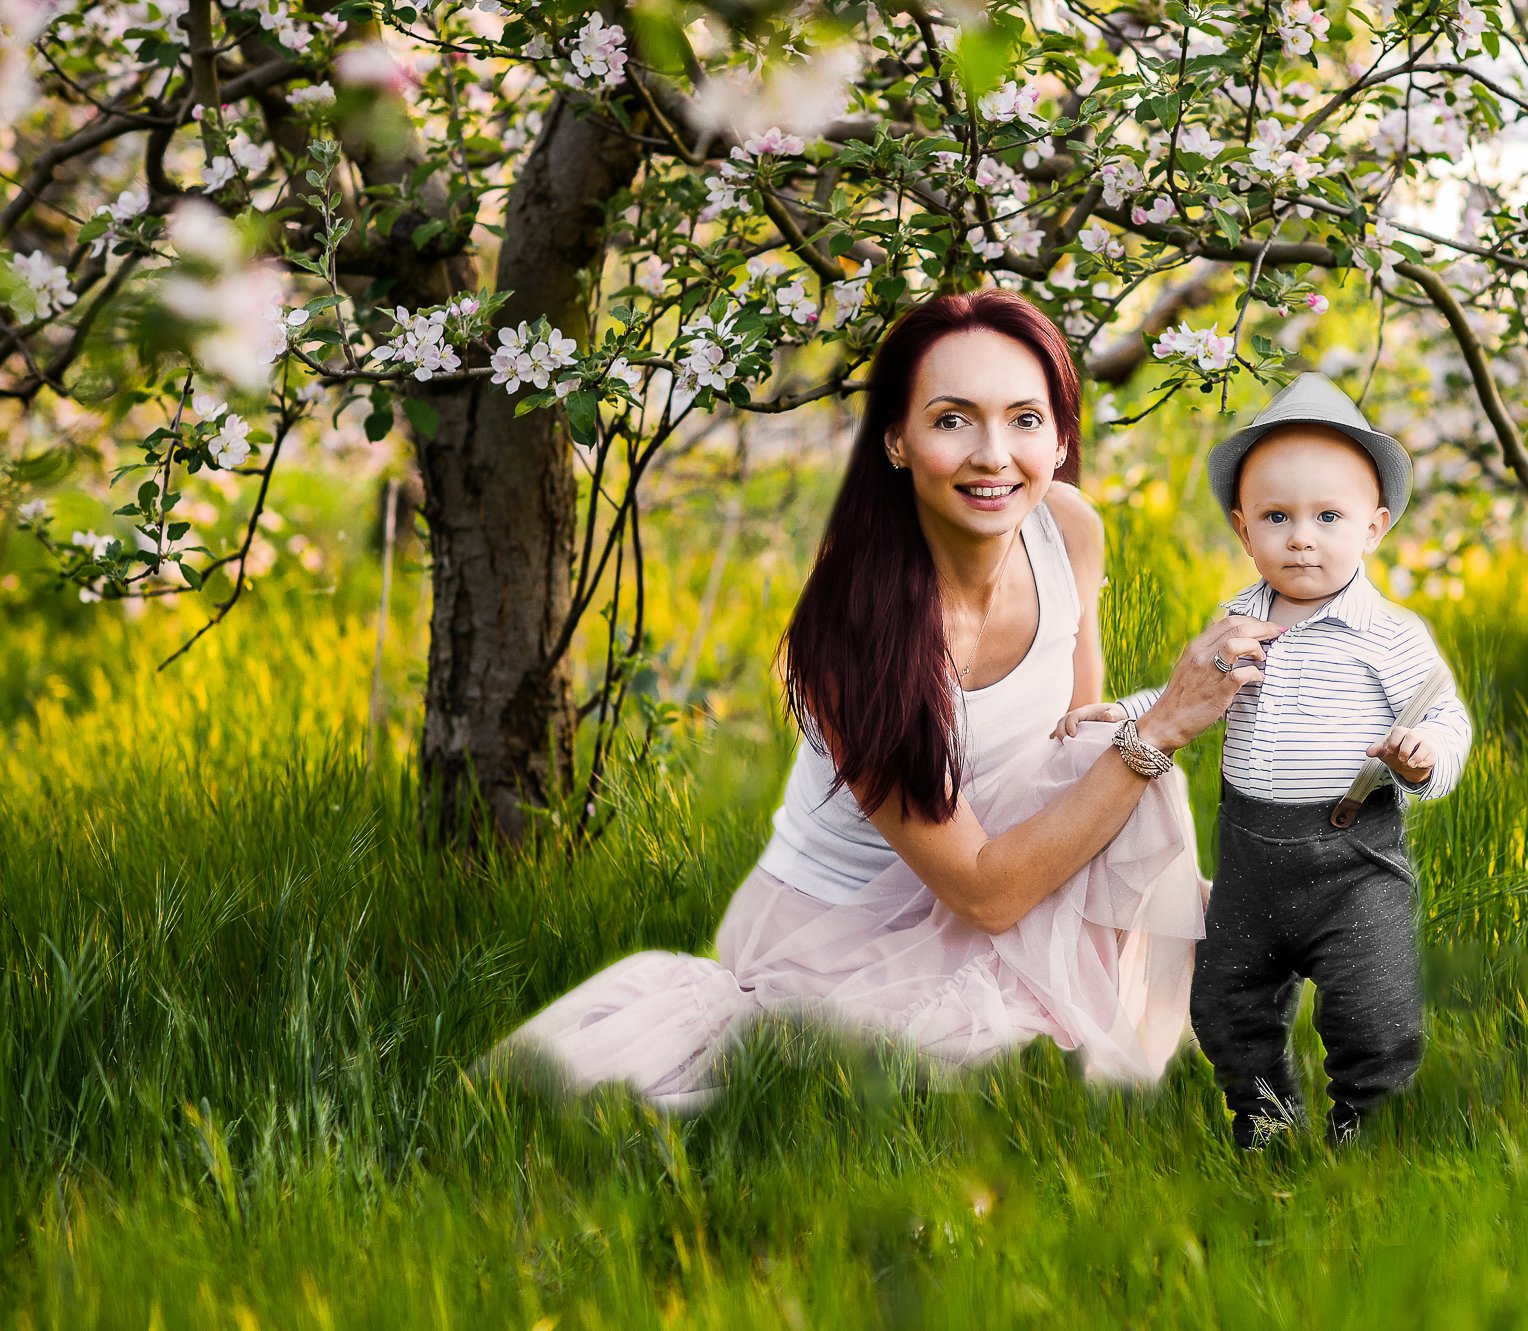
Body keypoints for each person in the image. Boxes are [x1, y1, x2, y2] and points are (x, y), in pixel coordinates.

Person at [483, 290, 1284, 1110]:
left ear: (1061, 435)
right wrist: (1160, 726)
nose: (993, 455)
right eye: (951, 420)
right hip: (846, 925)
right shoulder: (852, 630)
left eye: (1024, 419)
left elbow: (1070, 738)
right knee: (901, 1080)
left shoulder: (1067, 527)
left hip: (1004, 857)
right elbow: (985, 891)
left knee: (1129, 774)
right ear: (897, 440)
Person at [1056, 372, 1475, 1150]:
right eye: (1277, 517)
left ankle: (1366, 1133)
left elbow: (1444, 717)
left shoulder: (1389, 635)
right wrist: (1130, 710)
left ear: (1374, 526)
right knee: (1226, 1003)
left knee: (1371, 1012)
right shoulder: (1239, 621)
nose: (1301, 537)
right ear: (1245, 531)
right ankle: (1266, 1122)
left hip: (1353, 862)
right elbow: (1194, 690)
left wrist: (1423, 756)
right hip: (1250, 859)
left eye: (1327, 516)